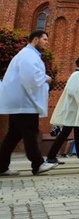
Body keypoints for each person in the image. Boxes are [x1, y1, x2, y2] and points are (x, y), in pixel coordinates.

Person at [0, 30, 57, 176]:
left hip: (20, 102)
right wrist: (46, 78)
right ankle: (37, 164)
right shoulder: (28, 55)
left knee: (13, 135)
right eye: (44, 39)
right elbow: (31, 77)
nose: (46, 42)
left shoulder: (28, 54)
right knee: (31, 132)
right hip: (24, 102)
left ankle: (1, 166)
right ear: (35, 39)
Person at [47, 57, 79, 165]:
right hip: (73, 111)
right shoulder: (76, 75)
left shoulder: (78, 75)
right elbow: (72, 90)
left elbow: (75, 91)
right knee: (66, 133)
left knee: (78, 133)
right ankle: (51, 156)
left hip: (75, 110)